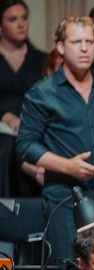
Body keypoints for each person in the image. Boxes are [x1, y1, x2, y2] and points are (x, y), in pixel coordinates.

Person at [16, 16, 94, 262]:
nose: (84, 48)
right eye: (76, 41)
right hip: (65, 198)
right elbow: (26, 145)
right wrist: (67, 166)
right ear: (60, 47)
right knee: (71, 269)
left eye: (90, 42)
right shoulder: (42, 93)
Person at [0, 0, 46, 198]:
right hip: (2, 129)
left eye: (24, 18)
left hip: (35, 125)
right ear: (1, 26)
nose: (21, 24)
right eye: (13, 19)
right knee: (6, 143)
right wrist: (4, 115)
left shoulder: (42, 59)